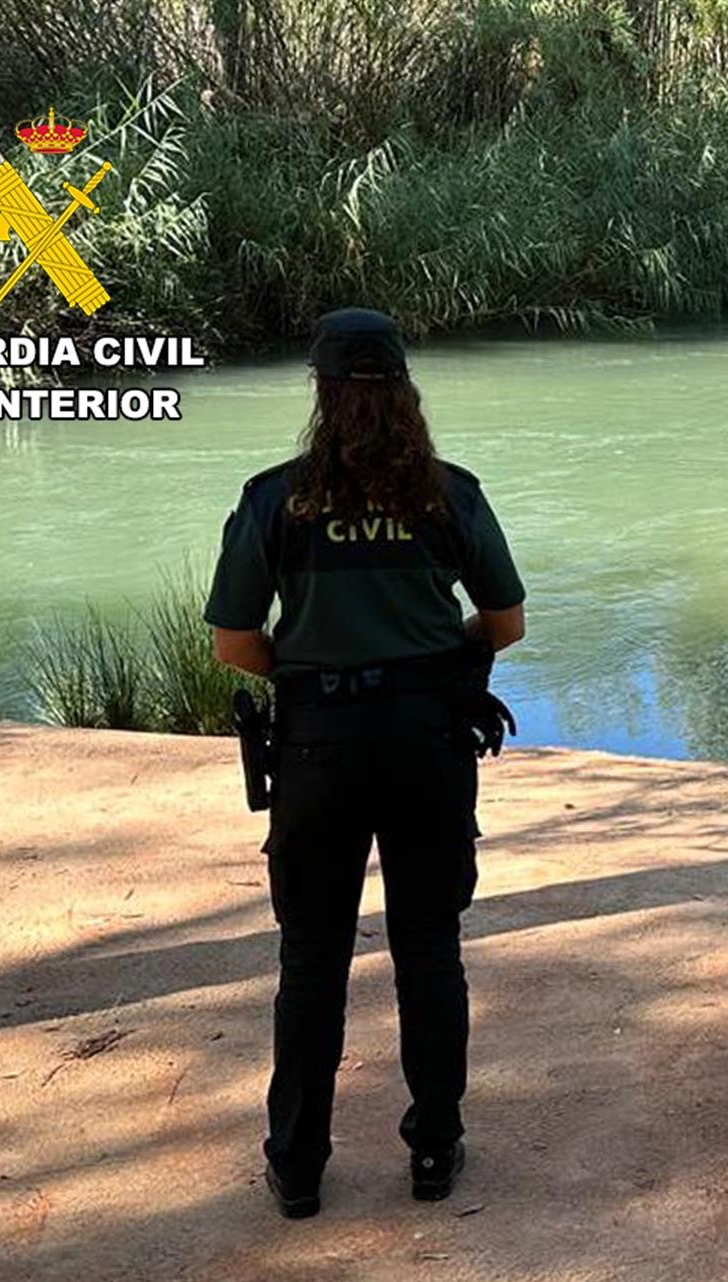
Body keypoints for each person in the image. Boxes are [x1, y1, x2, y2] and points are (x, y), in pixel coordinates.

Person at [204, 307, 525, 1219]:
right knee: (429, 948)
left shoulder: (273, 498)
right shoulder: (451, 494)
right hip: (427, 740)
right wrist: (430, 664)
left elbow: (233, 643)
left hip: (315, 748)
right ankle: (434, 1153)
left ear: (320, 393)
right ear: (408, 395)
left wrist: (309, 675)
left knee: (311, 960)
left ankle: (298, 1169)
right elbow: (506, 624)